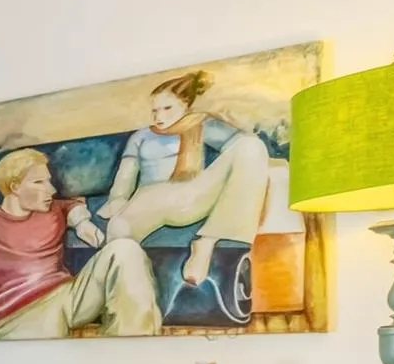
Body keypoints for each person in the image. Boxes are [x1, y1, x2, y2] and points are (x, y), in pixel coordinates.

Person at [0, 148, 161, 340]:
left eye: (49, 181)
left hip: (69, 295)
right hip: (20, 313)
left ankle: (130, 349)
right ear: (15, 186)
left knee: (125, 250)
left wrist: (83, 223)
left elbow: (70, 206)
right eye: (39, 182)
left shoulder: (51, 209)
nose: (52, 190)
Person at [98, 70, 270, 286]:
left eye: (167, 108)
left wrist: (237, 124)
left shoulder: (201, 124)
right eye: (154, 110)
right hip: (151, 198)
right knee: (118, 229)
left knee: (251, 146)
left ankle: (206, 243)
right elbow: (126, 173)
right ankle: (125, 290)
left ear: (185, 106)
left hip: (192, 195)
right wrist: (118, 200)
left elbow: (243, 148)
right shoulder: (141, 136)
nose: (159, 116)